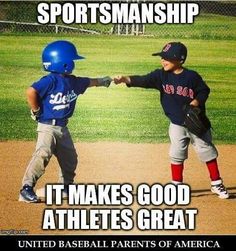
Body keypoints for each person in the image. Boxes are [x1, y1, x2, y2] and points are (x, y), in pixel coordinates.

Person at [114, 41, 229, 199]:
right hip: (176, 124)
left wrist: (194, 103)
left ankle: (216, 183)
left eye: (167, 58)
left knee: (206, 151)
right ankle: (176, 185)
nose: (163, 60)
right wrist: (125, 79)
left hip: (195, 123)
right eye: (162, 57)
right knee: (176, 154)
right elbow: (143, 80)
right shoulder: (161, 75)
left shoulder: (191, 77)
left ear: (180, 59)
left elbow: (204, 91)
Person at [19, 40, 112, 203]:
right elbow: (31, 91)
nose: (73, 63)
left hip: (63, 128)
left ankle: (66, 187)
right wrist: (36, 110)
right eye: (72, 60)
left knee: (70, 158)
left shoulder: (74, 81)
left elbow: (90, 81)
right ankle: (26, 189)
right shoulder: (50, 81)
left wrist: (103, 81)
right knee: (43, 154)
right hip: (47, 127)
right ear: (64, 63)